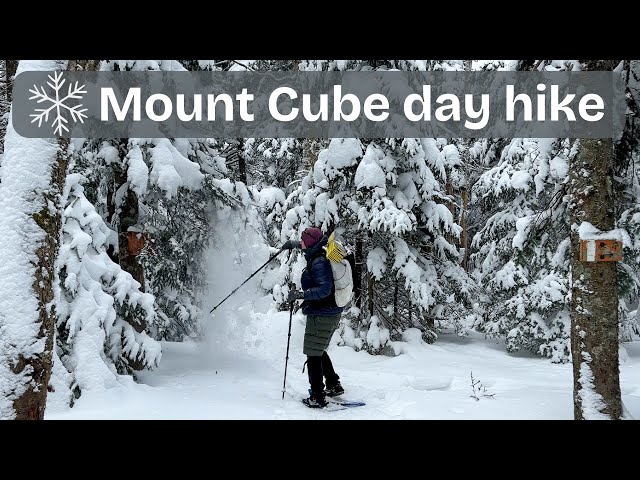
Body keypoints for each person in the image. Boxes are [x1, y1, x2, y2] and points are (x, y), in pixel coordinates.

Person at [282, 227, 345, 408]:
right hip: (330, 312)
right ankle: (333, 384)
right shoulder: (320, 250)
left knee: (313, 353)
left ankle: (317, 396)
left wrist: (302, 295)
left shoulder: (318, 261)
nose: (301, 244)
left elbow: (324, 289)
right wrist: (292, 244)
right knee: (318, 348)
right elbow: (307, 243)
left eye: (302, 241)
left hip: (322, 314)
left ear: (309, 243)